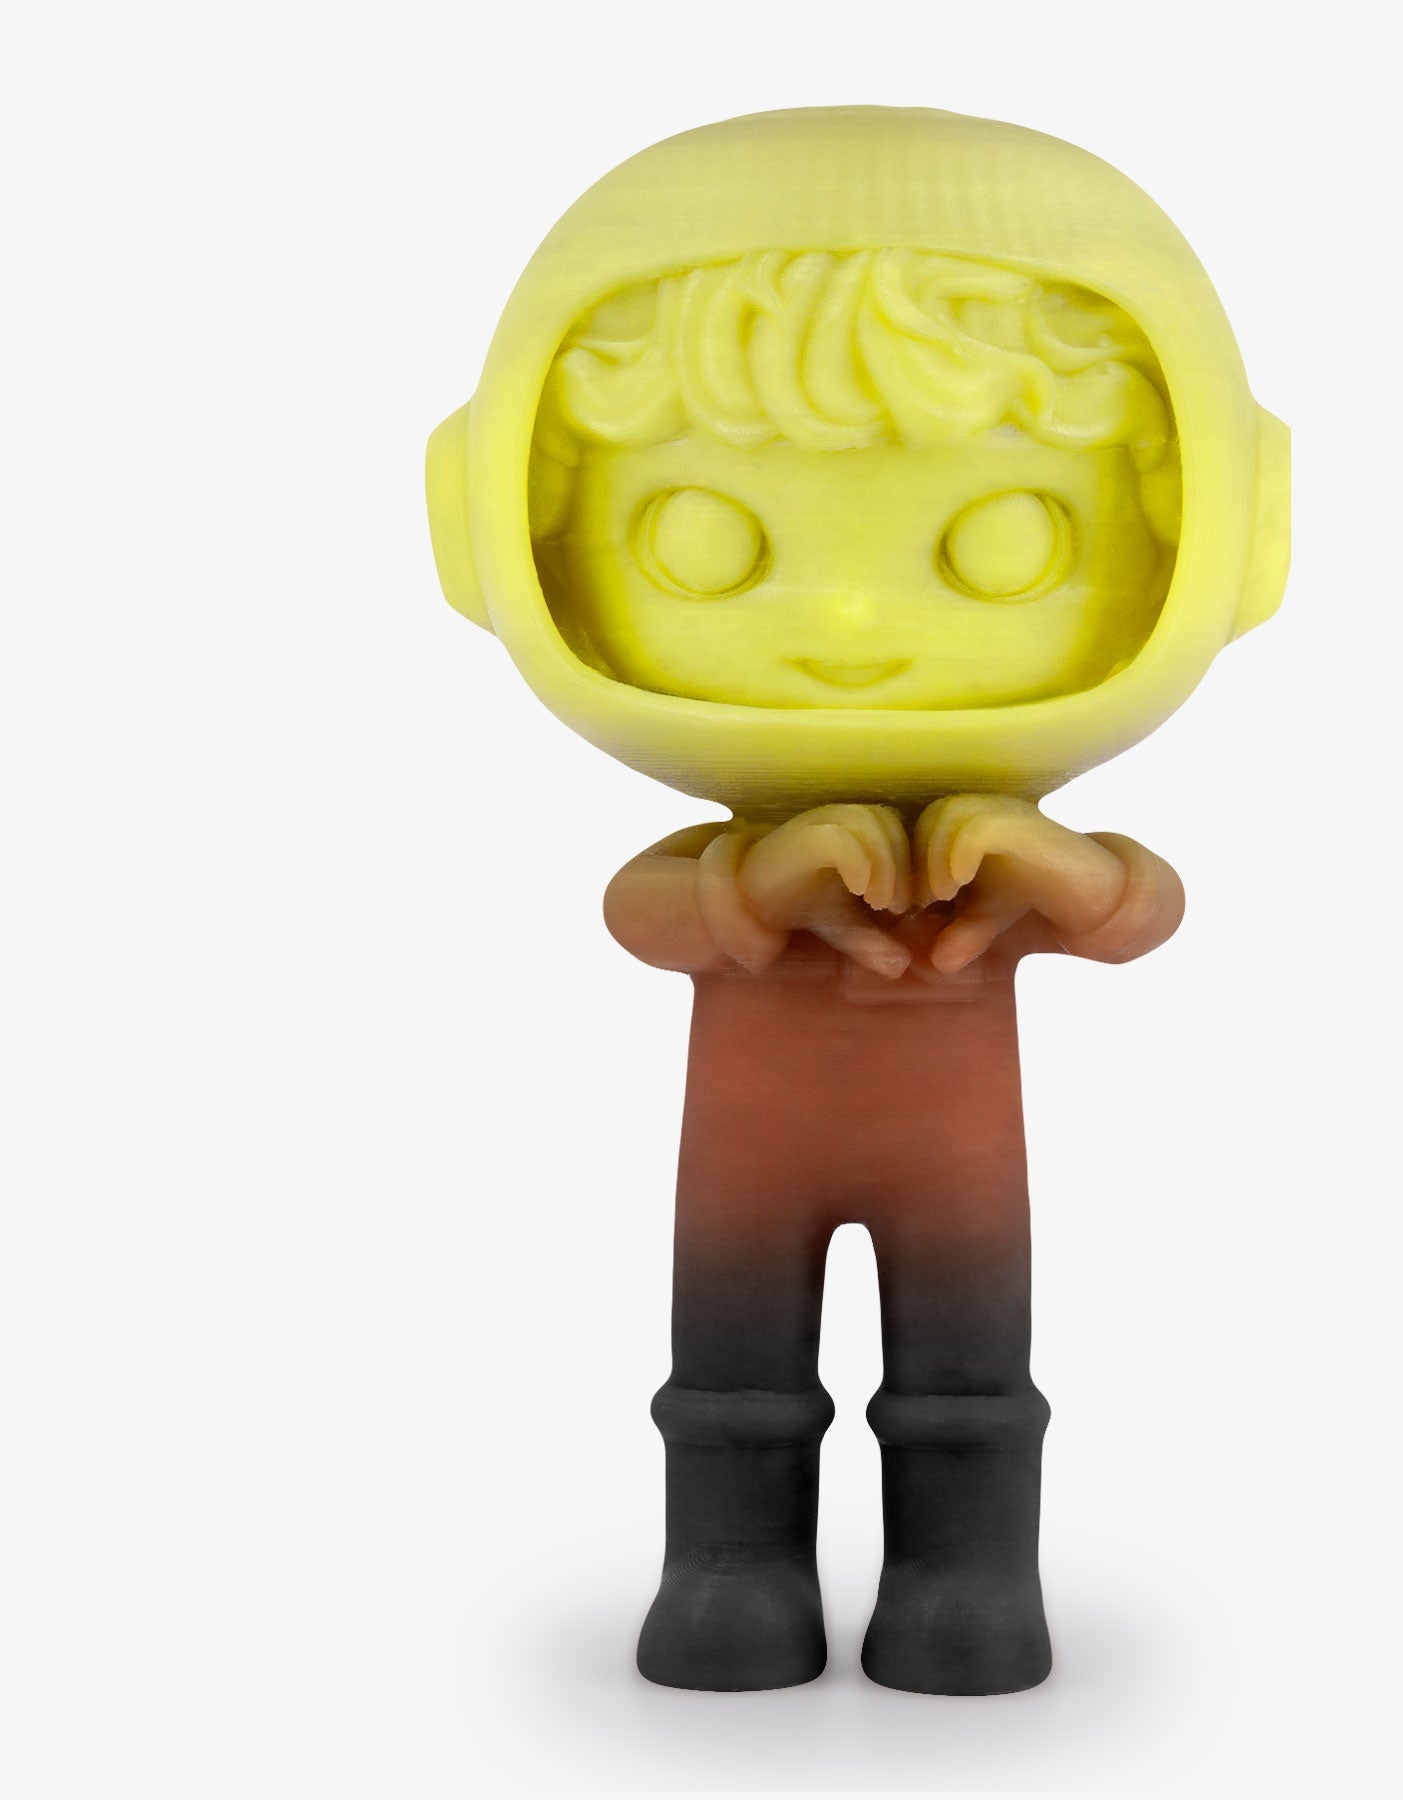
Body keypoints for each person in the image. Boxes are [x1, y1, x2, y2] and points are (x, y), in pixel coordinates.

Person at [426, 107, 1289, 1696]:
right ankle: (728, 1572)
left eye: (1005, 541)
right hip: (745, 1176)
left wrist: (1052, 866)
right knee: (728, 1384)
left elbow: (1136, 911)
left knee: (969, 1387)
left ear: (1244, 532)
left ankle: (968, 1582)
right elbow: (643, 912)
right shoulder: (728, 862)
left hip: (959, 1179)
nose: (842, 617)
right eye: (700, 540)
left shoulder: (998, 840)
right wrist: (763, 879)